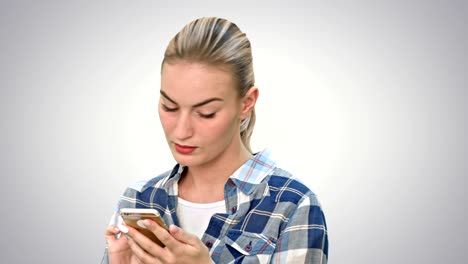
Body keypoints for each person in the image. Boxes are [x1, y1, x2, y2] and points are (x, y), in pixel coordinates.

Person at [102, 17, 328, 264]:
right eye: (169, 107)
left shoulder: (292, 205)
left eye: (206, 113)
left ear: (246, 103)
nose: (181, 131)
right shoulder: (139, 198)